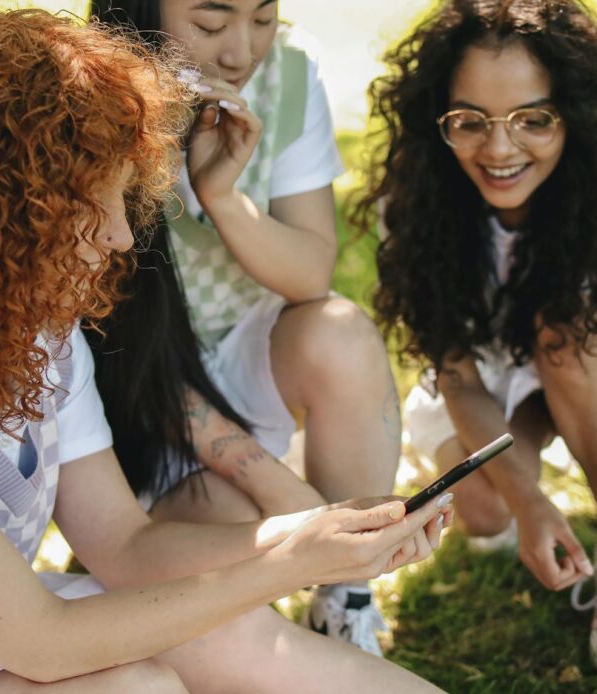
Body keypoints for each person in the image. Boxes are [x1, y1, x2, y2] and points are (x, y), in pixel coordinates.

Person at [0, 10, 454, 693]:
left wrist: (323, 534)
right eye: (92, 205)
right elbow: (43, 645)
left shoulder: (31, 326)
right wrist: (289, 566)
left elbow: (125, 545)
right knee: (132, 690)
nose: (124, 238)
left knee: (218, 626)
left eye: (124, 198)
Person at [352, 0, 597, 681]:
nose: (500, 150)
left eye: (533, 118)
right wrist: (528, 501)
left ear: (575, 115)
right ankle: (538, 495)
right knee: (484, 512)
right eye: (470, 121)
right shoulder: (416, 196)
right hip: (494, 381)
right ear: (439, 116)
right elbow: (460, 377)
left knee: (569, 334)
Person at [86, 0, 402, 654]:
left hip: (241, 352)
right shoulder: (91, 99)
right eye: (210, 23)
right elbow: (126, 357)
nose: (240, 52)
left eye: (263, 17)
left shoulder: (288, 71)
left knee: (339, 334)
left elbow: (311, 273)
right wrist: (286, 494)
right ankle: (321, 553)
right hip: (138, 403)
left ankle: (344, 599)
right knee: (235, 551)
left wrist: (224, 195)